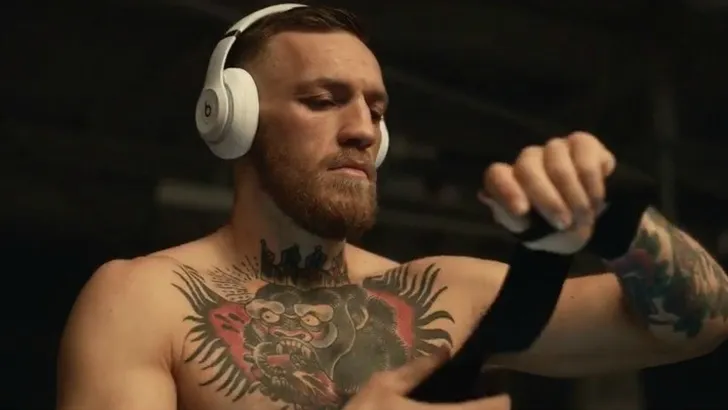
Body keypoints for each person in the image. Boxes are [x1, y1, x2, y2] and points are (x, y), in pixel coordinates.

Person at [56, 5, 727, 410]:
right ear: (235, 121)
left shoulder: (447, 295)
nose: (362, 130)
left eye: (375, 110)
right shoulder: (142, 300)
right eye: (323, 101)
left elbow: (702, 322)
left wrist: (617, 218)